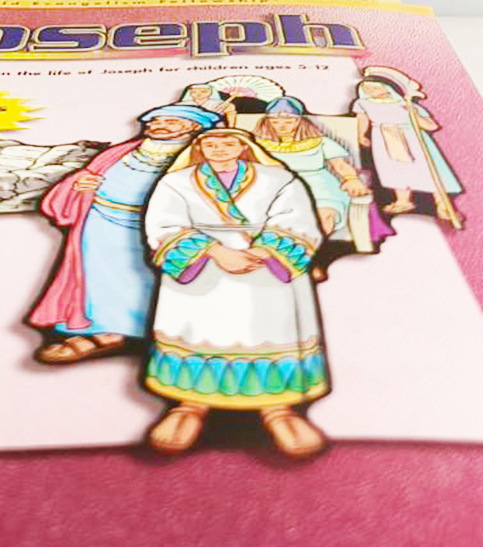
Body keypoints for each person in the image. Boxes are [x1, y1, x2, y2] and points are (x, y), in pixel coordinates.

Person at [143, 128, 330, 458]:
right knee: (197, 332)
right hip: (204, 272)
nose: (219, 149)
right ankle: (189, 403)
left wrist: (263, 253)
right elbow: (163, 225)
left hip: (265, 272)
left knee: (272, 331)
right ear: (199, 147)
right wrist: (216, 252)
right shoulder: (175, 182)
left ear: (243, 146)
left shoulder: (279, 179)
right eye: (211, 143)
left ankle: (279, 409)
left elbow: (298, 221)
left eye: (229, 142)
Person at [28, 104, 221, 362]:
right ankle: (105, 330)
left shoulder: (202, 156)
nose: (159, 126)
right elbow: (86, 176)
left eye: (171, 122)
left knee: (155, 281)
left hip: (164, 230)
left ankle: (164, 335)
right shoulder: (122, 152)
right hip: (102, 224)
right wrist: (79, 185)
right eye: (155, 121)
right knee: (100, 279)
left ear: (194, 127)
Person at [253, 96, 368, 238]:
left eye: (288, 121)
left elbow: (340, 165)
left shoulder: (320, 142)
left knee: (324, 217)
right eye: (275, 121)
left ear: (299, 121)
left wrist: (351, 178)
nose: (281, 126)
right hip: (277, 185)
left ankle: (315, 246)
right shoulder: (257, 144)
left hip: (319, 186)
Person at [352, 72, 462, 220]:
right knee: (393, 169)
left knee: (426, 170)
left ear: (387, 88)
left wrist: (413, 113)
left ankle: (442, 205)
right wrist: (361, 135)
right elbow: (362, 119)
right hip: (383, 140)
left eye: (374, 87)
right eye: (366, 88)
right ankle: (403, 200)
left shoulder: (405, 105)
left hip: (411, 140)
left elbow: (431, 126)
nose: (370, 91)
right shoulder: (363, 103)